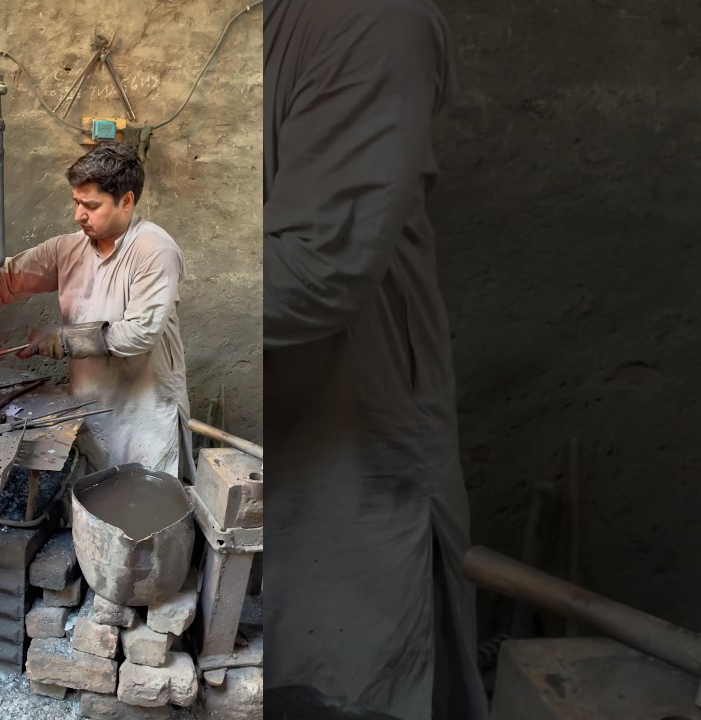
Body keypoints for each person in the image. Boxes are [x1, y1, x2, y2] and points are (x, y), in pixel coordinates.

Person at [264, 1, 489, 719]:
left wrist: (137, 289)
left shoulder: (369, 19)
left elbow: (316, 271)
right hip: (274, 438)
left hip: (350, 446)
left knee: (346, 682)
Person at [0, 144, 190, 477]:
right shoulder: (68, 248)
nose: (78, 215)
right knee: (93, 502)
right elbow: (5, 281)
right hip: (87, 406)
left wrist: (60, 339)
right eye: (76, 202)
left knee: (143, 510)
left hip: (142, 415)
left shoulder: (155, 250)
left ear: (126, 201)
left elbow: (139, 333)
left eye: (91, 206)